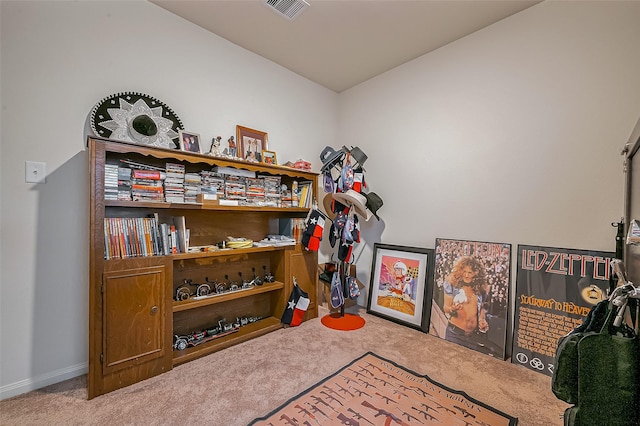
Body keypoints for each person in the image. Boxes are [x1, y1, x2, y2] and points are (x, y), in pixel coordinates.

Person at [442, 256, 490, 352]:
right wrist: (452, 308)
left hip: (473, 337)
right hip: (454, 334)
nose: (466, 275)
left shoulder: (481, 289)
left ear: (476, 274)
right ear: (460, 271)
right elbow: (446, 308)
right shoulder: (451, 284)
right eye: (464, 272)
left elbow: (481, 308)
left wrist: (482, 320)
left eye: (470, 272)